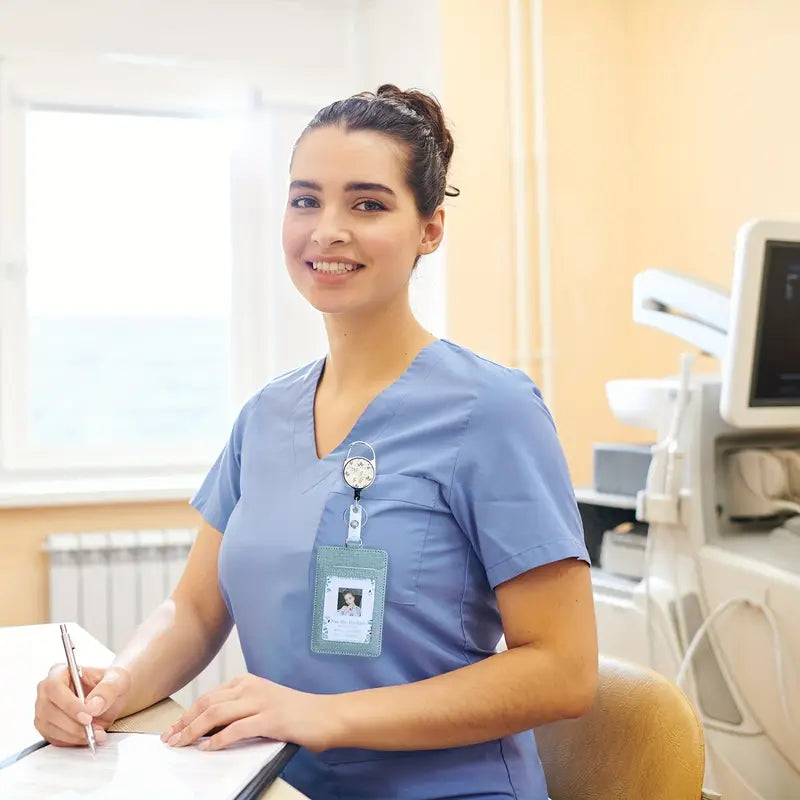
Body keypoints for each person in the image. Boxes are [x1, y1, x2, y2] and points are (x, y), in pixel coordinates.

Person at [34, 84, 597, 799]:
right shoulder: (266, 415)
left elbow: (564, 668)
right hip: (276, 784)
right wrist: (109, 689)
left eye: (367, 203)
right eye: (306, 200)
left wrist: (324, 715)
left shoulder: (493, 410)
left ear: (430, 228)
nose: (327, 229)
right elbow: (196, 609)